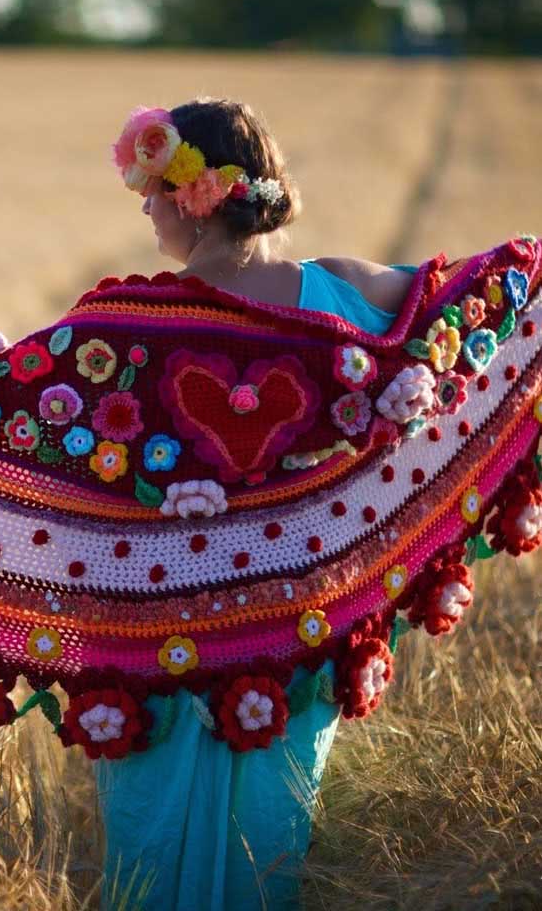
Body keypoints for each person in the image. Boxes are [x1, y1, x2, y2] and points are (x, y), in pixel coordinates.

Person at [96, 98, 417, 910]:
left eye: (148, 187)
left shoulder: (126, 322)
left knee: (150, 830)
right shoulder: (351, 291)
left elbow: (12, 420)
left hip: (161, 622)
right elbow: (488, 299)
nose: (142, 205)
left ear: (187, 195)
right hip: (301, 616)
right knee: (272, 824)